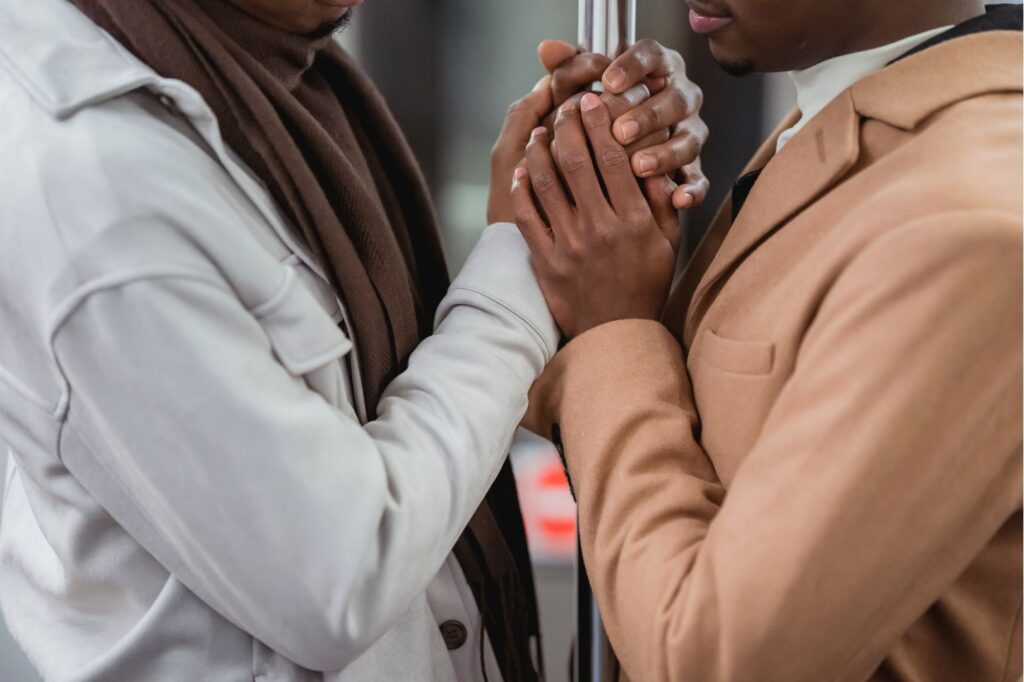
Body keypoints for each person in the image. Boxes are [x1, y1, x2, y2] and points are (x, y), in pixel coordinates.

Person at [0, 0, 708, 680]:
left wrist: (577, 172)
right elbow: (338, 577)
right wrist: (532, 252)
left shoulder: (271, 70)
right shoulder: (94, 187)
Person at [513, 2, 1023, 680]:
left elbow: (719, 661)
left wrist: (613, 329)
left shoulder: (968, 228)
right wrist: (591, 224)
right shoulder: (852, 118)